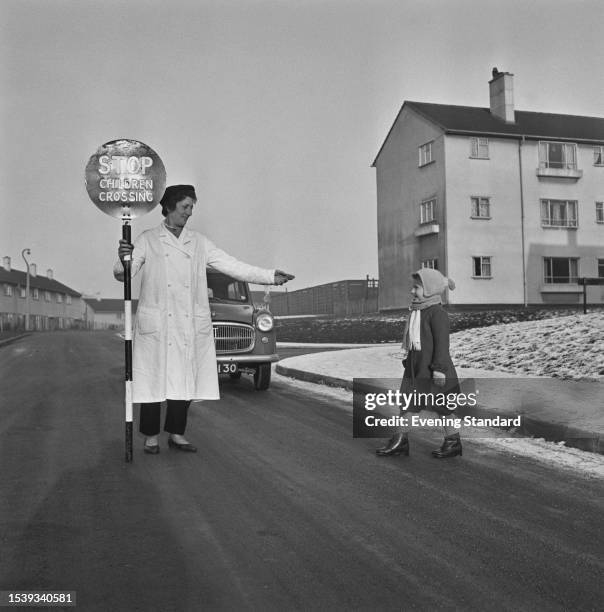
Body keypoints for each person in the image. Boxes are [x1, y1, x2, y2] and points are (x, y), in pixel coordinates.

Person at [114, 184, 294, 454]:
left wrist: (269, 276)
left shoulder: (198, 242)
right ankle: (150, 437)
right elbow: (123, 274)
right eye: (185, 207)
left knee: (184, 380)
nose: (189, 213)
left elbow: (232, 265)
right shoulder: (148, 239)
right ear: (170, 206)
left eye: (191, 208)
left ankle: (176, 433)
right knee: (152, 381)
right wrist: (122, 259)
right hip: (158, 324)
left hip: (188, 323)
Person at [376, 268, 462, 459]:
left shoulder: (436, 313)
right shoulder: (417, 311)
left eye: (416, 287)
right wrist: (409, 360)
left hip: (433, 369)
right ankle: (400, 441)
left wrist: (439, 370)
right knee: (407, 404)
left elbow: (442, 345)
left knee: (443, 408)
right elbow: (416, 341)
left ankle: (453, 442)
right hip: (417, 368)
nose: (412, 291)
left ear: (430, 289)